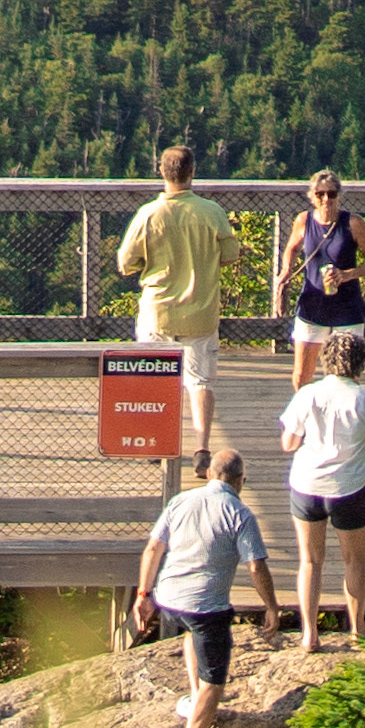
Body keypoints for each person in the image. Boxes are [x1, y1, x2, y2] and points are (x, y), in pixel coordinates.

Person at [135, 450, 282, 728]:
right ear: (240, 480)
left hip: (169, 599)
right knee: (214, 685)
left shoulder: (180, 501)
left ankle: (191, 696)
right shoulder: (240, 513)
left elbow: (153, 548)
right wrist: (272, 607)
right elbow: (256, 565)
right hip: (205, 607)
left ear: (210, 475)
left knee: (191, 632)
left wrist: (143, 595)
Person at [116, 143, 242, 479]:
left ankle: (156, 442)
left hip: (158, 311)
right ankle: (201, 448)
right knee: (200, 381)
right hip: (200, 311)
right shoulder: (211, 211)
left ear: (162, 172)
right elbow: (231, 254)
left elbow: (125, 263)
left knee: (155, 376)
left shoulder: (149, 215)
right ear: (192, 172)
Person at [279, 327, 365, 649]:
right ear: (361, 363)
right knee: (354, 561)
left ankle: (309, 635)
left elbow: (288, 444)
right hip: (350, 489)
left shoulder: (308, 395)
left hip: (307, 487)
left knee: (310, 561)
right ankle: (357, 630)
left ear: (326, 360)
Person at [272, 170, 365, 388]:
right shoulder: (304, 221)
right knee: (301, 375)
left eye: (331, 194)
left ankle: (342, 420)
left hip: (347, 309)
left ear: (339, 196)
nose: (326, 199)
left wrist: (348, 274)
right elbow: (292, 248)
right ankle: (306, 417)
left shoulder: (353, 224)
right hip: (312, 306)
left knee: (346, 377)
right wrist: (286, 270)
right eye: (320, 194)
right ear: (312, 196)